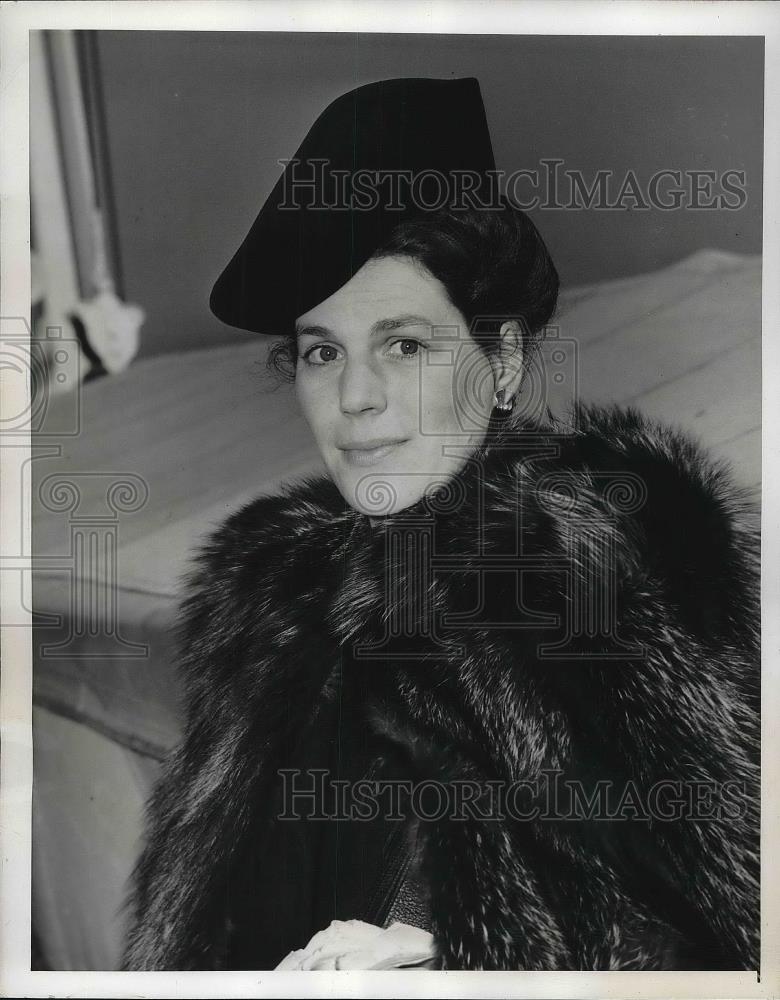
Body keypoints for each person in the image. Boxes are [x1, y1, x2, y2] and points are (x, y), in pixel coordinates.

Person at [122, 77, 759, 972]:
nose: (353, 398)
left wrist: (448, 965)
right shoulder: (267, 599)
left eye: (405, 345)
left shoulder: (602, 572)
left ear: (501, 361)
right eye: (320, 351)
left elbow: (732, 939)